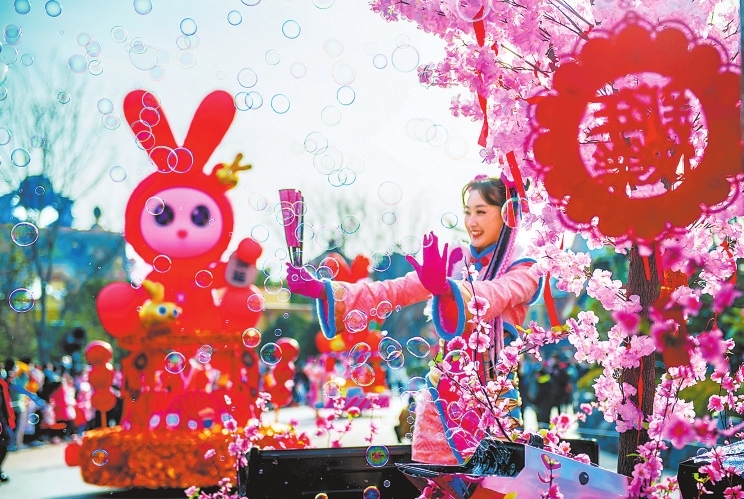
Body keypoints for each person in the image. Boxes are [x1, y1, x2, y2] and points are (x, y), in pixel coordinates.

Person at [286, 175, 541, 465]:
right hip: (441, 398)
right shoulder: (455, 260)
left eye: (481, 212)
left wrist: (448, 289)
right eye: (467, 212)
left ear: (508, 214)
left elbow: (498, 294)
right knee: (432, 477)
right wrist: (323, 290)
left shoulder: (525, 267)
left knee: (493, 482)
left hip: (494, 400)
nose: (471, 222)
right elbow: (394, 290)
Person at [0, 373, 16, 482]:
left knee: (6, 442)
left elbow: (5, 403)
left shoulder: (2, 384)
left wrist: (9, 418)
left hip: (2, 419)